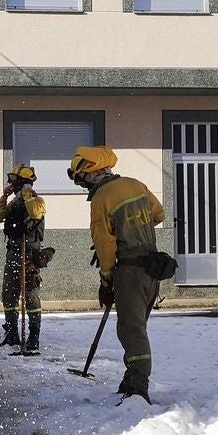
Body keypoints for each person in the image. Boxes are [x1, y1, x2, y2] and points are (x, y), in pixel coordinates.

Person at [68, 146, 164, 404]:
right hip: (152, 268)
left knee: (131, 330)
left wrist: (106, 278)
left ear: (91, 172)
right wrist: (133, 228)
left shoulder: (102, 198)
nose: (81, 185)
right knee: (138, 327)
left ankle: (138, 387)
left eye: (81, 179)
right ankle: (132, 376)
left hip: (129, 271)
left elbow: (105, 245)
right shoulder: (135, 184)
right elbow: (158, 213)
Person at [0, 165, 46, 351]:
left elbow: (36, 213)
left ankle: (33, 336)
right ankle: (12, 334)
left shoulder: (37, 200)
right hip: (13, 253)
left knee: (30, 297)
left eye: (14, 180)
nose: (11, 183)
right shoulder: (14, 202)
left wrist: (28, 196)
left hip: (29, 255)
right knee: (8, 294)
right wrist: (4, 197)